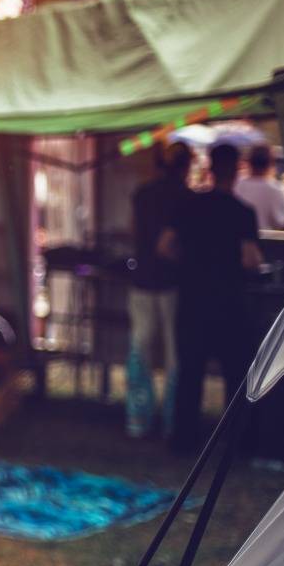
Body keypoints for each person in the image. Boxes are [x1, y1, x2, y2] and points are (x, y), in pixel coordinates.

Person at [159, 143, 263, 454]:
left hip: (192, 298)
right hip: (229, 301)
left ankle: (184, 440)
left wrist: (189, 262)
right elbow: (250, 259)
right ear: (237, 170)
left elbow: (164, 247)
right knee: (235, 373)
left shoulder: (187, 205)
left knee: (191, 370)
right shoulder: (243, 212)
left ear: (210, 168)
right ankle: (238, 442)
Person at [126, 142, 192, 439]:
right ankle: (171, 422)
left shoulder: (142, 194)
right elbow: (169, 246)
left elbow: (133, 231)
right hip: (173, 284)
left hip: (141, 279)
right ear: (186, 166)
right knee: (174, 355)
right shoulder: (186, 197)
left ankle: (138, 421)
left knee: (140, 349)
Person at [233, 144, 284, 231]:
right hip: (266, 242)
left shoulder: (236, 184)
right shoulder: (277, 189)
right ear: (271, 163)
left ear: (249, 162)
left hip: (238, 239)